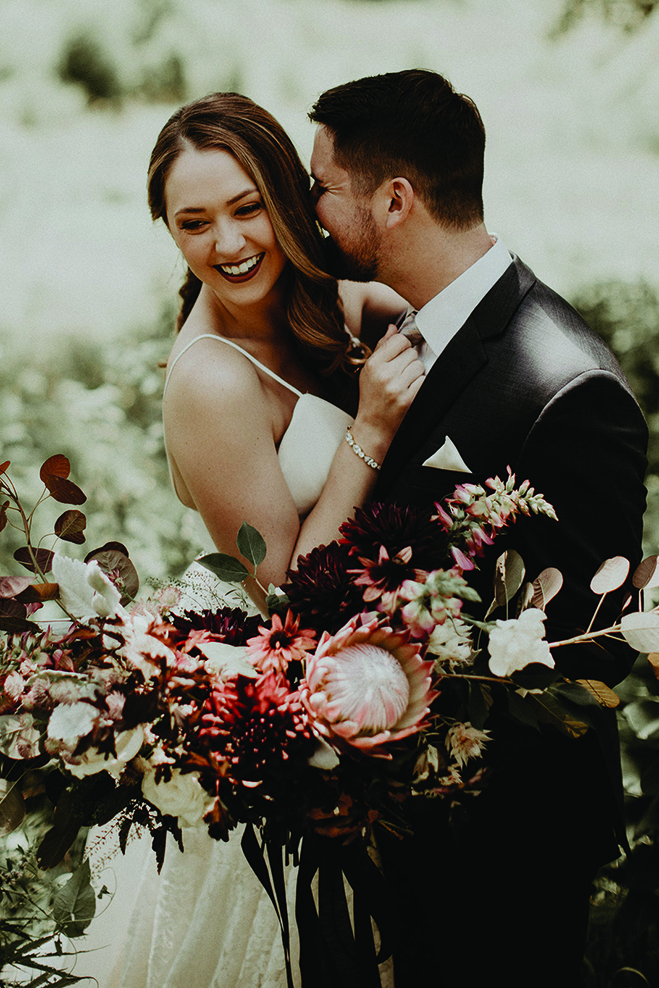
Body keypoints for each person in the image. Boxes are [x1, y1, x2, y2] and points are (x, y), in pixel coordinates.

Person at [308, 69, 648, 988]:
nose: (309, 212)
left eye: (322, 191)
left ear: (394, 198)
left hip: (502, 844)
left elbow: (584, 649)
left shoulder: (566, 388)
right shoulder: (406, 327)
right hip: (399, 823)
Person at [80, 91, 422, 988]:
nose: (227, 244)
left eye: (247, 209)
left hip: (365, 663)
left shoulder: (324, 304)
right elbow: (286, 587)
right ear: (169, 232)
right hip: (270, 688)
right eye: (194, 223)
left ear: (289, 196)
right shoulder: (211, 382)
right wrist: (372, 430)